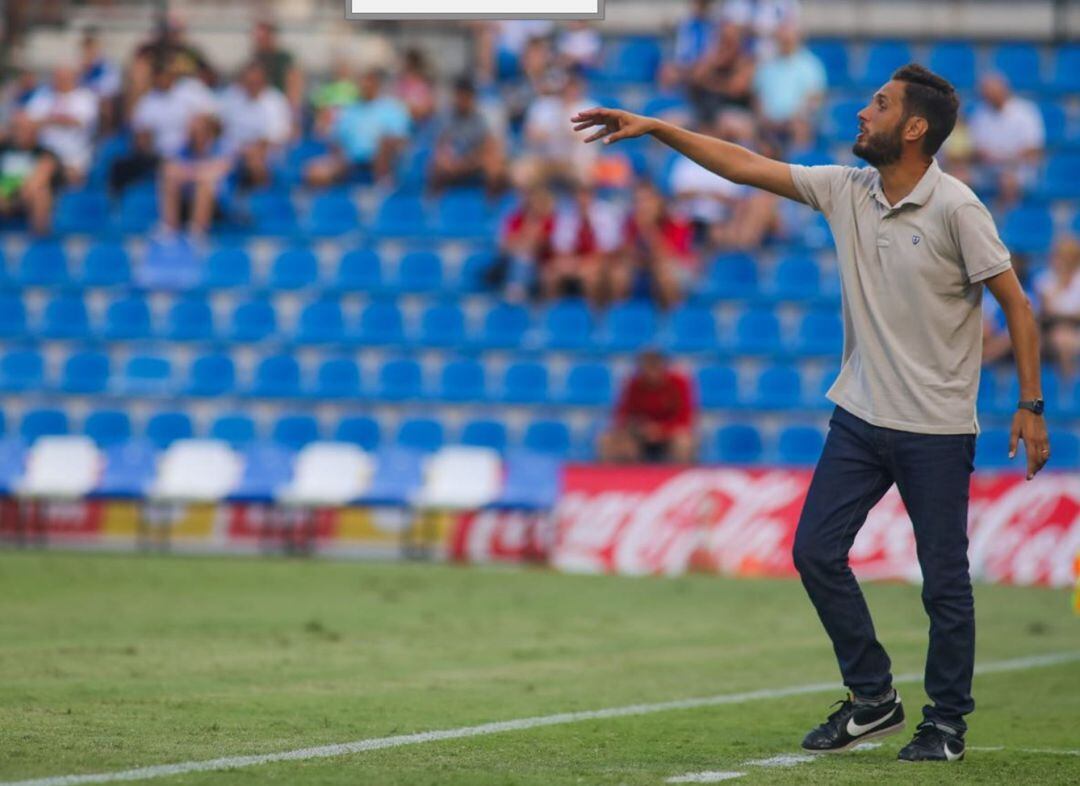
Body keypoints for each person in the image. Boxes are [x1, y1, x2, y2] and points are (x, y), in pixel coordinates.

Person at [572, 61, 1049, 762]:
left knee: (944, 581)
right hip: (859, 416)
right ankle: (874, 699)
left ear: (914, 129)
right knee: (814, 552)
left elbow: (1018, 306)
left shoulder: (958, 208)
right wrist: (659, 130)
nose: (863, 113)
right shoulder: (847, 189)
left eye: (879, 105)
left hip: (937, 429)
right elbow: (743, 166)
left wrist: (1031, 406)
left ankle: (945, 723)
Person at [304, 69, 409, 188]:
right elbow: (337, 141)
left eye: (369, 81)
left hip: (382, 159)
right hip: (350, 161)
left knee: (385, 144)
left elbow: (400, 139)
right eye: (362, 82)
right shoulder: (349, 111)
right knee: (315, 171)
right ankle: (324, 204)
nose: (365, 85)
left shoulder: (392, 109)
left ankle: (382, 187)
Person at [598, 350, 697, 464]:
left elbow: (684, 418)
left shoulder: (679, 383)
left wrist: (661, 430)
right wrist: (640, 429)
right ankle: (622, 479)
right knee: (608, 440)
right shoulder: (633, 384)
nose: (651, 371)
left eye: (655, 365)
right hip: (640, 435)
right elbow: (622, 416)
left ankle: (678, 477)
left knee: (683, 441)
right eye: (647, 366)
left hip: (670, 435)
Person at [616, 181, 698, 309]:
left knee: (664, 274)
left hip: (679, 268)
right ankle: (619, 318)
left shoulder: (676, 222)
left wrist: (648, 229)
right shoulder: (631, 223)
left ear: (658, 201)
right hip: (645, 267)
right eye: (638, 202)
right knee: (618, 273)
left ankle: (673, 316)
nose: (643, 207)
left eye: (647, 201)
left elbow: (670, 256)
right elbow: (626, 252)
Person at [968, 73, 1044, 207]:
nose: (989, 96)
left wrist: (1005, 159)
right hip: (987, 169)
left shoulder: (1026, 111)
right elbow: (975, 149)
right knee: (958, 177)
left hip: (1020, 169)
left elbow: (1033, 150)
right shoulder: (980, 114)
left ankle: (1006, 220)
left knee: (1007, 181)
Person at [546, 181, 623, 305]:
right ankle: (554, 314)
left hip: (601, 261)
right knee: (550, 273)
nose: (582, 200)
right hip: (576, 261)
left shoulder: (606, 214)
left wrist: (587, 263)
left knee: (592, 276)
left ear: (592, 196)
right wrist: (574, 263)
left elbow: (609, 250)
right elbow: (561, 248)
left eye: (585, 195)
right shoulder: (566, 214)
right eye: (578, 196)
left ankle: (593, 315)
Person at [218, 61, 292, 189]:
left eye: (256, 82)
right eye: (248, 82)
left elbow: (277, 136)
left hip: (267, 155)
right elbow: (221, 129)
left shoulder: (275, 101)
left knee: (254, 158)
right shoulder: (232, 98)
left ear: (263, 82)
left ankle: (258, 201)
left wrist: (251, 149)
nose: (252, 86)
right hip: (233, 153)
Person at [753, 24, 825, 150]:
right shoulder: (766, 66)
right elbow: (757, 97)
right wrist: (764, 119)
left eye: (788, 39)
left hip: (796, 121)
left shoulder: (810, 65)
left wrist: (795, 117)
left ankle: (798, 163)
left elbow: (815, 98)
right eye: (782, 39)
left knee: (800, 128)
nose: (785, 43)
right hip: (768, 122)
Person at [428, 76, 506, 194]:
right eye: (460, 96)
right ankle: (434, 208)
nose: (463, 100)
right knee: (437, 165)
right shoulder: (446, 118)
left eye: (467, 96)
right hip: (453, 163)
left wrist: (468, 162)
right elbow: (441, 146)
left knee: (494, 166)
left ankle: (491, 207)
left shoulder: (480, 119)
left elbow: (488, 146)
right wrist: (449, 160)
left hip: (473, 162)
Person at [159, 112, 232, 237]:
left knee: (204, 185)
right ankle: (169, 232)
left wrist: (187, 172)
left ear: (209, 131)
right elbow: (168, 170)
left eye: (199, 130)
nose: (195, 134)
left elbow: (218, 170)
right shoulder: (183, 149)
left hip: (217, 206)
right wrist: (198, 172)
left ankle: (197, 234)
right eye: (192, 131)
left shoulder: (222, 148)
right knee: (170, 181)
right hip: (186, 200)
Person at [25, 65, 97, 184]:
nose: (59, 81)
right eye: (57, 77)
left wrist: (48, 119)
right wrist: (60, 120)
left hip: (73, 158)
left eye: (64, 77)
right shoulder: (43, 95)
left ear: (73, 78)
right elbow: (29, 121)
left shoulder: (85, 97)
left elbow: (79, 122)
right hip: (43, 154)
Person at [0, 112, 60, 235]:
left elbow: (40, 178)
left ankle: (39, 243)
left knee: (40, 193)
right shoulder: (4, 150)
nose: (20, 133)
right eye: (16, 128)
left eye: (25, 129)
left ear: (35, 132)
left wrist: (14, 197)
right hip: (3, 194)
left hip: (27, 197)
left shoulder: (45, 154)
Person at [1035, 236, 1080, 379]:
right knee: (1061, 337)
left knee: (1065, 338)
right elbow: (1047, 310)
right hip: (1050, 329)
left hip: (1075, 328)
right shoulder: (1044, 279)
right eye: (1059, 256)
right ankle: (1066, 387)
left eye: (1066, 258)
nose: (1061, 262)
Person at [249, 19, 303, 115]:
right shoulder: (256, 59)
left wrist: (291, 112)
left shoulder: (284, 59)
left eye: (262, 38)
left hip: (281, 110)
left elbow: (294, 87)